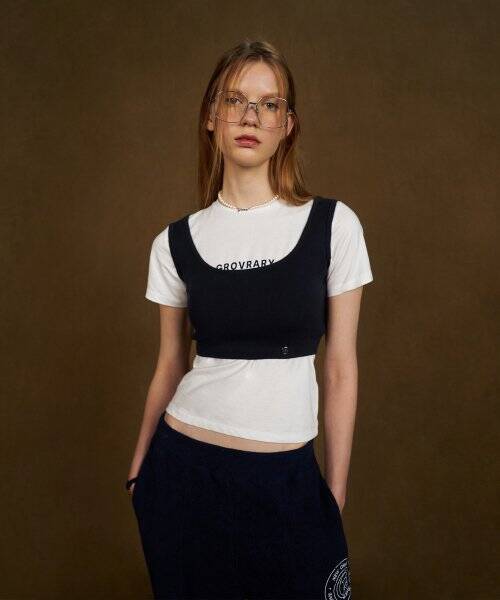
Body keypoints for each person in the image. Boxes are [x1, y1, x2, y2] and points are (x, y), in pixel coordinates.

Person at [127, 39, 373, 600]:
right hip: (184, 477)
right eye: (234, 100)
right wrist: (139, 471)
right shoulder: (174, 242)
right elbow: (170, 364)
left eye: (268, 104)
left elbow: (340, 367)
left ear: (287, 124)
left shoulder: (333, 225)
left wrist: (334, 491)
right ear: (211, 116)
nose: (250, 116)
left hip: (287, 481)